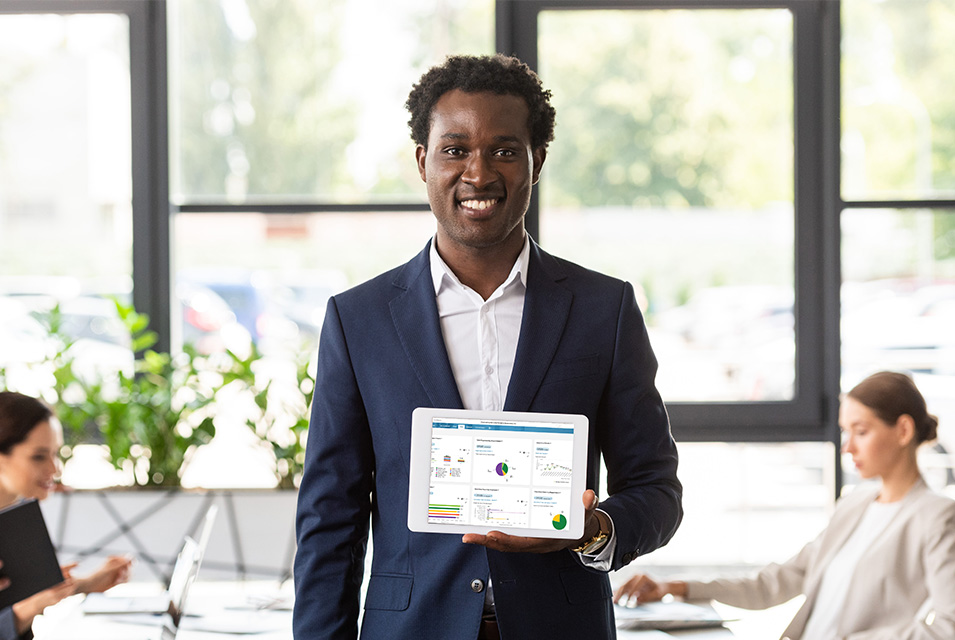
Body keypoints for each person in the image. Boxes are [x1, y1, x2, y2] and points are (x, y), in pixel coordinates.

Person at [293, 54, 682, 640]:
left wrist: (591, 530)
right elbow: (330, 518)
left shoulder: (604, 310)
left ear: (537, 161)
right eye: (455, 149)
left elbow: (656, 488)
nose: (478, 172)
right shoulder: (359, 320)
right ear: (424, 161)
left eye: (504, 149)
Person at [614, 371, 955, 640]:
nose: (847, 447)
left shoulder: (936, 517)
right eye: (844, 432)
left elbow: (947, 627)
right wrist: (678, 587)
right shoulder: (857, 503)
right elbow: (779, 580)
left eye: (861, 431)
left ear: (904, 430)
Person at [0, 391, 132, 639]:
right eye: (39, 456)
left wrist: (86, 584)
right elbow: (19, 608)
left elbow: (14, 597)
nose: (55, 469)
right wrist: (27, 610)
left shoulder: (15, 519)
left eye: (55, 453)